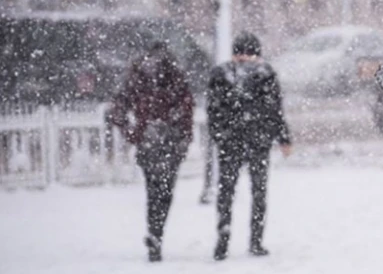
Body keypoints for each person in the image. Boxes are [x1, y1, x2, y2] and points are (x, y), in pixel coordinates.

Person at [207, 31, 292, 260]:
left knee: (226, 191)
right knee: (259, 191)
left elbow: (213, 110)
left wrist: (219, 135)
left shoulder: (220, 73)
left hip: (230, 142)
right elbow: (274, 109)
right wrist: (283, 138)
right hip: (258, 141)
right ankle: (256, 240)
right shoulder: (265, 73)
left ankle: (223, 237)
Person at [107, 41, 194, 262]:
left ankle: (154, 232)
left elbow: (118, 109)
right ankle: (157, 232)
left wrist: (133, 132)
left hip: (148, 140)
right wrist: (184, 136)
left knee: (153, 190)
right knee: (165, 192)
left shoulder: (137, 78)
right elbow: (186, 110)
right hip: (170, 140)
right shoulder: (175, 77)